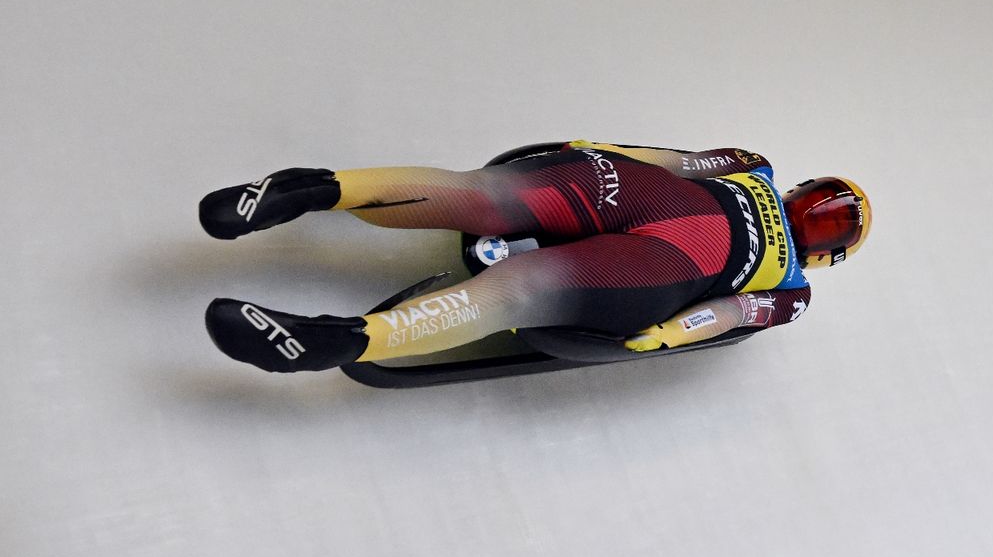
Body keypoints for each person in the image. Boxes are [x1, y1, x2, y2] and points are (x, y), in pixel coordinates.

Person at [198, 141, 869, 373]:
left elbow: (728, 311)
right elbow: (682, 164)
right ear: (801, 189)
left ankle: (317, 195)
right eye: (818, 206)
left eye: (824, 223)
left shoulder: (791, 283)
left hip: (649, 228)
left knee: (507, 238)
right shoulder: (759, 179)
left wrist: (666, 335)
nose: (809, 219)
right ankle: (346, 334)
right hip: (655, 236)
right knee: (502, 232)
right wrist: (661, 337)